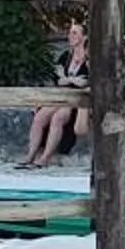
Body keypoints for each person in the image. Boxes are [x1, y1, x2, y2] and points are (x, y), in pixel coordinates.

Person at [20, 17, 88, 169]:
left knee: (59, 117)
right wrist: (73, 80)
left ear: (84, 37)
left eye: (75, 33)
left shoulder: (89, 59)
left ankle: (45, 157)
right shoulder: (65, 56)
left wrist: (68, 79)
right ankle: (31, 154)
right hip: (62, 94)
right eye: (70, 33)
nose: (71, 36)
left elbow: (86, 82)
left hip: (76, 99)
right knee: (40, 117)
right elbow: (59, 79)